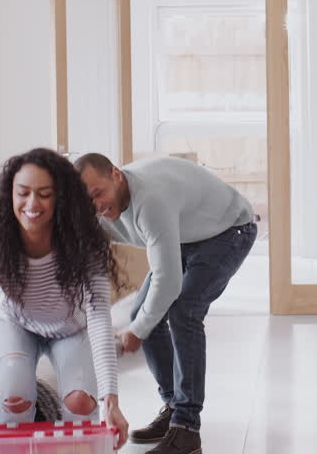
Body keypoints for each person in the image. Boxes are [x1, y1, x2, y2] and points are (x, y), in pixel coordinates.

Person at [0, 148, 129, 449]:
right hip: (13, 324)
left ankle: (56, 418)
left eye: (44, 194)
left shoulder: (84, 244)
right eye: (23, 193)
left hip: (70, 327)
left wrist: (110, 401)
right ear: (10, 196)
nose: (32, 203)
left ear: (61, 198)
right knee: (16, 397)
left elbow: (99, 317)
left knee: (80, 402)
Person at [76, 153, 257, 454]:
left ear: (116, 175)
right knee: (142, 313)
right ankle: (174, 407)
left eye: (99, 193)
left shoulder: (150, 201)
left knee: (183, 311)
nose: (96, 205)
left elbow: (168, 282)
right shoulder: (97, 209)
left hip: (229, 230)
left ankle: (187, 429)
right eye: (87, 200)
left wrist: (138, 331)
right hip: (189, 235)